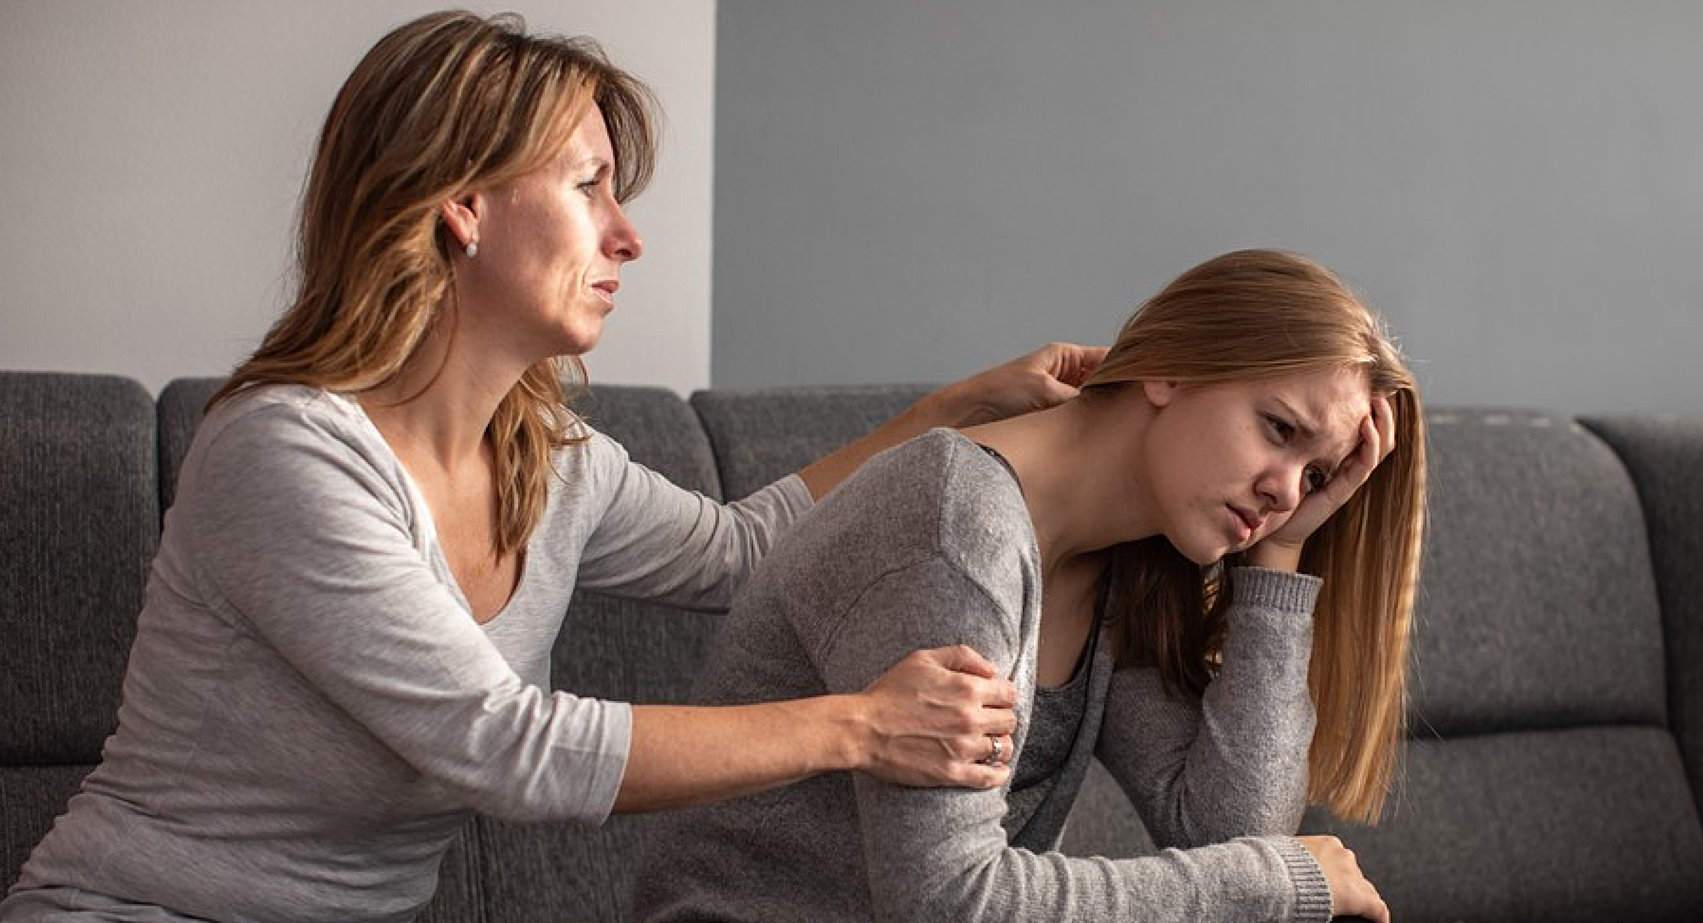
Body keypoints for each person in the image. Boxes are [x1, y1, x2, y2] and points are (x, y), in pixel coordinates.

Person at [0, 11, 1105, 923]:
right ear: (462, 205)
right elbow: (506, 745)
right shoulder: (285, 452)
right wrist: (860, 724)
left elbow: (746, 550)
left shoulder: (548, 455)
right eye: (589, 186)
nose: (627, 236)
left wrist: (955, 409)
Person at [631, 249, 1425, 923]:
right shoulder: (957, 523)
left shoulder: (1126, 561)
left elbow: (1230, 826)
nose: (1286, 488)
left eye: (1314, 474)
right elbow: (951, 899)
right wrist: (1279, 879)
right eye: (1278, 429)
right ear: (1172, 369)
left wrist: (1280, 555)